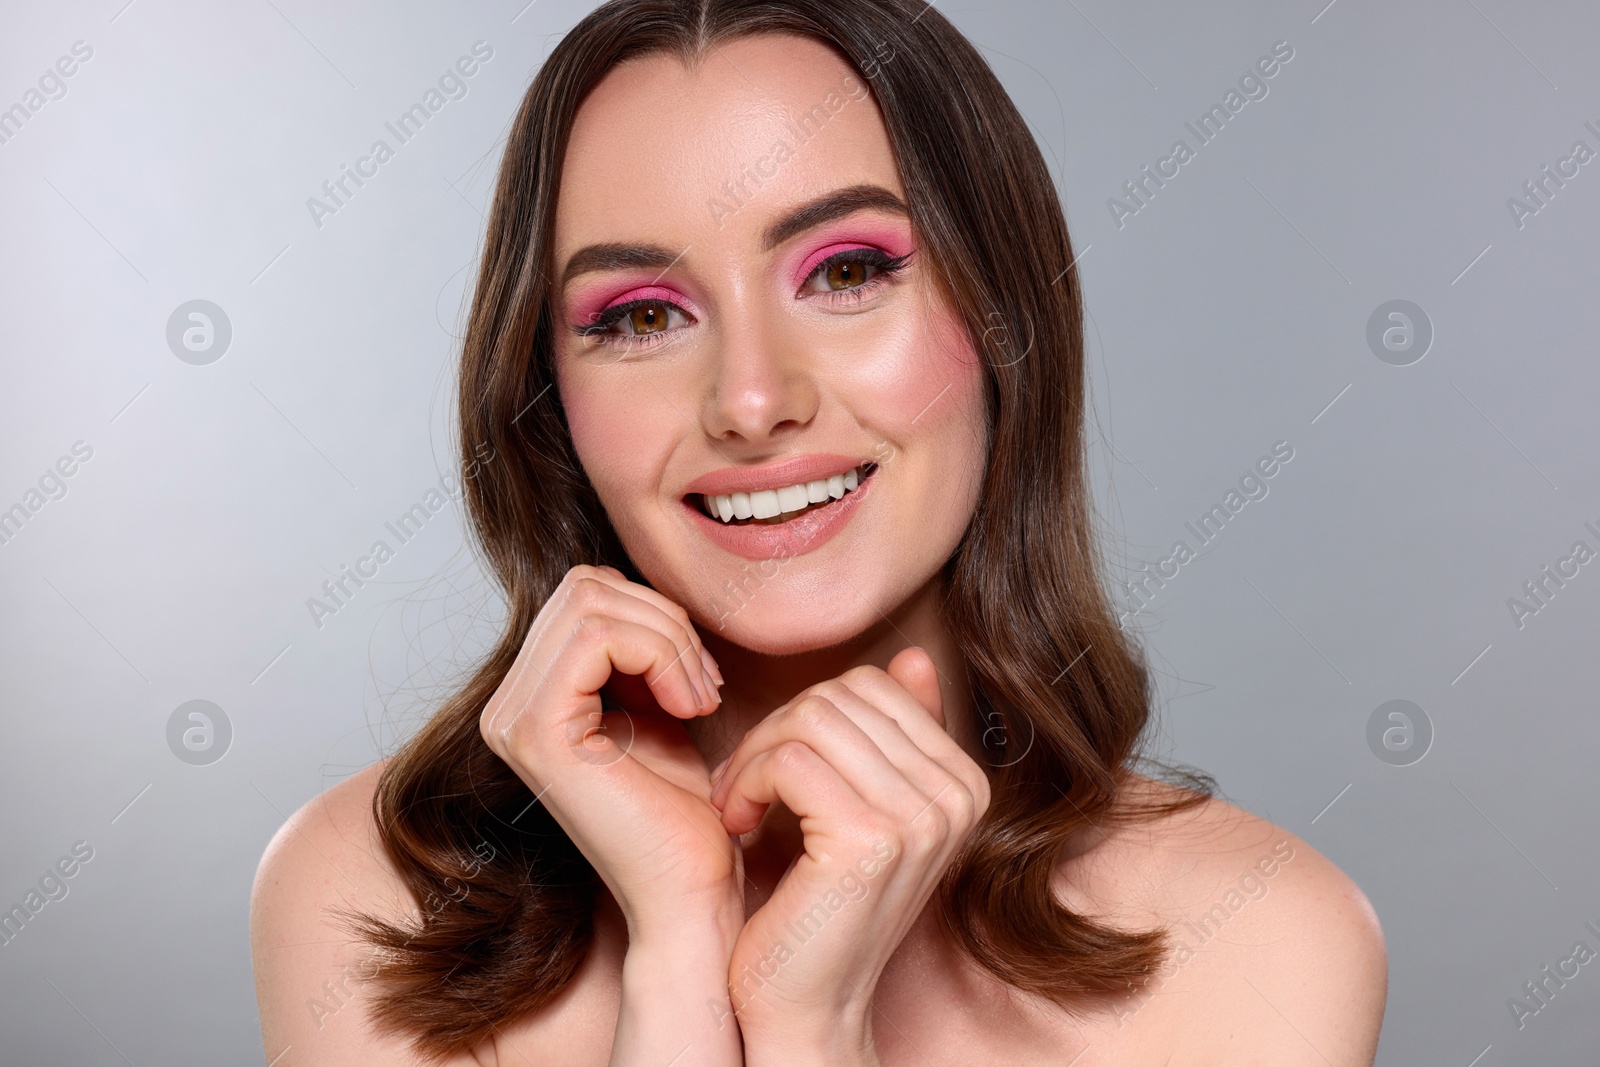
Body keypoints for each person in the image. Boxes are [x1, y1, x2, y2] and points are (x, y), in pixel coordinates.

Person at [250, 1, 1388, 1063]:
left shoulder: (1261, 938)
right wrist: (681, 962)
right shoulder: (368, 891)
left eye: (845, 272)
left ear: (1002, 318)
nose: (750, 399)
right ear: (546, 389)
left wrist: (809, 1020)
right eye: (642, 315)